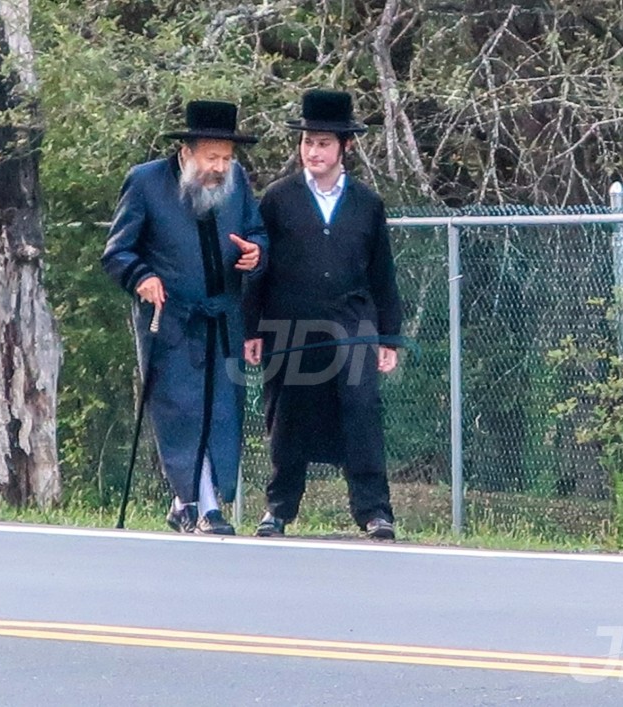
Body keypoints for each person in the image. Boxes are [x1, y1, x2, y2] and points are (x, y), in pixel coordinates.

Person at [102, 100, 267, 535]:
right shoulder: (146, 182)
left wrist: (256, 253)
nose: (220, 167)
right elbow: (118, 251)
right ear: (187, 151)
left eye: (226, 158)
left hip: (223, 319)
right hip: (172, 321)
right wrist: (142, 277)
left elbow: (257, 232)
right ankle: (205, 509)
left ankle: (185, 504)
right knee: (182, 413)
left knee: (221, 413)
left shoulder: (237, 181)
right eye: (212, 157)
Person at [243, 89, 402, 540]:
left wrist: (388, 336)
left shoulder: (367, 203)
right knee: (287, 415)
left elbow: (382, 273)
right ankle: (278, 509)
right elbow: (258, 267)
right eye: (308, 142)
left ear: (344, 146)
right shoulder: (278, 199)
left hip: (352, 322)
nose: (314, 152)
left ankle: (374, 512)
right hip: (290, 323)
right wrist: (252, 328)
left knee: (361, 410)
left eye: (324, 143)